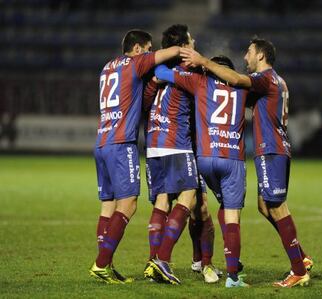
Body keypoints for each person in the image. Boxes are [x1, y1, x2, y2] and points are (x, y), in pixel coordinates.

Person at [181, 37, 313, 288]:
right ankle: (301, 257)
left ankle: (299, 269)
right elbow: (237, 94)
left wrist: (204, 62)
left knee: (277, 208)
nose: (245, 57)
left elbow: (239, 81)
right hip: (275, 149)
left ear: (261, 56)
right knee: (265, 206)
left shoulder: (265, 78)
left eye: (249, 52)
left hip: (271, 149)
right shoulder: (277, 82)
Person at [89, 29, 181, 284]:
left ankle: (105, 264)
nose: (151, 53)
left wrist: (151, 84)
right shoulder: (135, 62)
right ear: (139, 49)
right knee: (128, 204)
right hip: (121, 144)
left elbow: (131, 99)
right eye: (149, 48)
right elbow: (169, 52)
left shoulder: (108, 68)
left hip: (102, 142)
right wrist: (185, 51)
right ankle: (101, 263)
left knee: (108, 206)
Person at [153, 55, 250, 288]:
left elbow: (161, 72)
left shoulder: (200, 82)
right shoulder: (243, 87)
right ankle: (229, 272)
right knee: (225, 212)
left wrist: (186, 61)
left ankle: (202, 261)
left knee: (203, 208)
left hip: (204, 156)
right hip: (231, 157)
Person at [142, 24, 221, 284]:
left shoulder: (156, 73)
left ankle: (153, 262)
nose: (195, 41)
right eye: (190, 40)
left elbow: (146, 100)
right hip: (177, 142)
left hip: (154, 143)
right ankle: (162, 259)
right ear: (183, 47)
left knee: (162, 201)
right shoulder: (191, 69)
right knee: (189, 198)